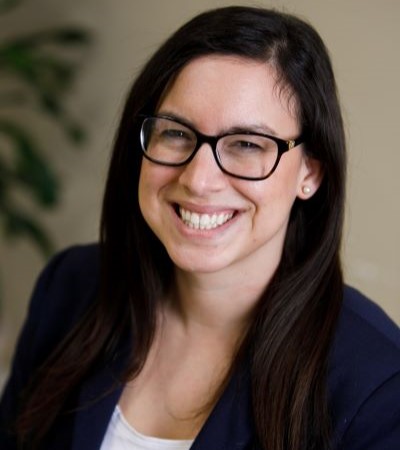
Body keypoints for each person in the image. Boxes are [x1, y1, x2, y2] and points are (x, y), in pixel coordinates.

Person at [1, 5, 400, 450]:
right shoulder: (70, 288)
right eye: (176, 133)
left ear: (311, 172)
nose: (198, 179)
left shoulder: (378, 386)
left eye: (247, 144)